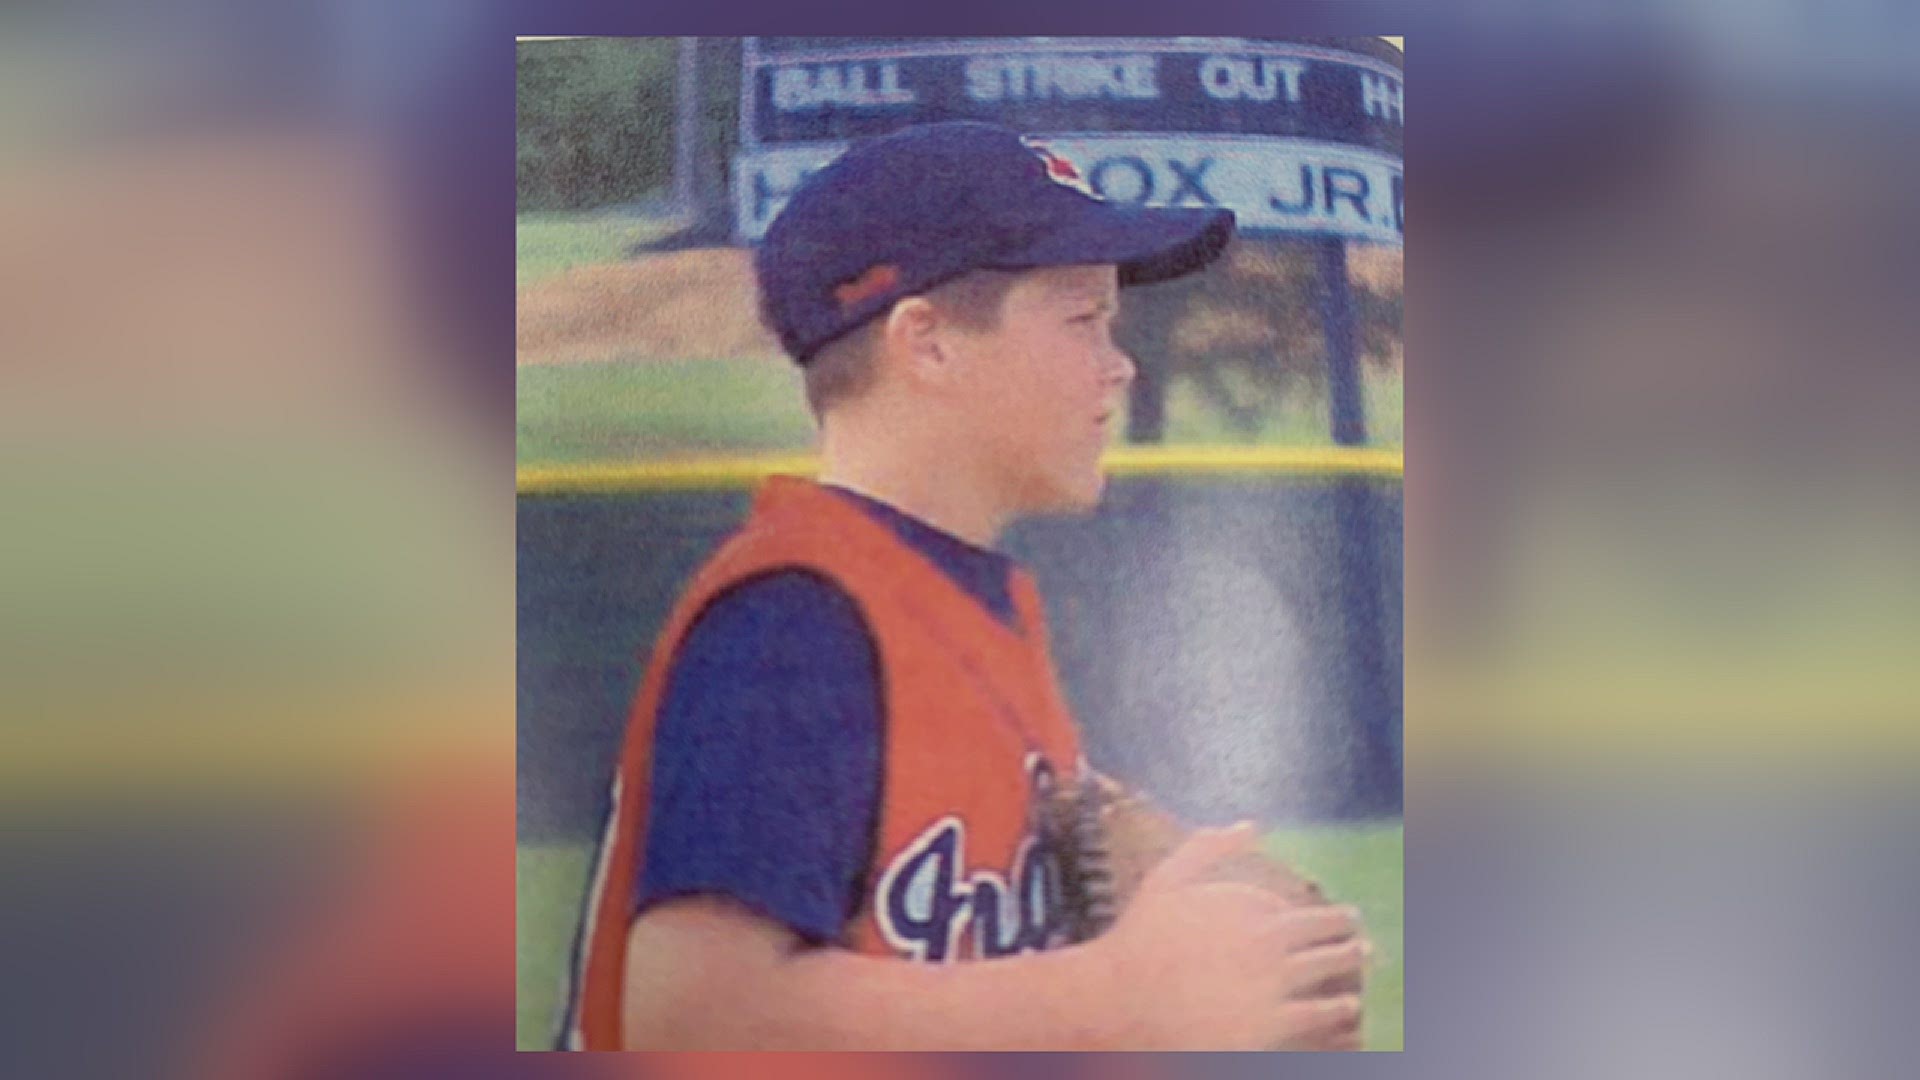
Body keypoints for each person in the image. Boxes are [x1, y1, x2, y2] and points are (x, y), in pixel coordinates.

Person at [564, 121, 1365, 1050]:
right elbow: (692, 1017)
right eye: (1083, 320)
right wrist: (1104, 994)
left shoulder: (974, 605)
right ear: (929, 345)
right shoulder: (796, 616)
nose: (1121, 361)